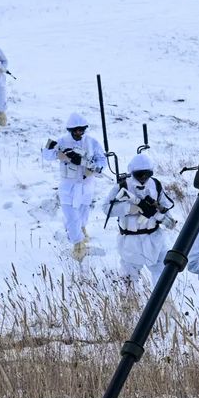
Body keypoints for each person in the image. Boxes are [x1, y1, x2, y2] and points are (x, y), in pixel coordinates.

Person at [41, 112, 106, 259]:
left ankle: (82, 230)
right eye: (76, 130)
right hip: (68, 187)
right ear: (70, 130)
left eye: (81, 130)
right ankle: (78, 244)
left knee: (83, 213)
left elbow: (102, 161)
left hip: (86, 185)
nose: (79, 133)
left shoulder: (92, 142)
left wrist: (93, 168)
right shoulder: (62, 142)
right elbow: (46, 154)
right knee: (71, 216)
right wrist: (58, 154)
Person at [108, 154, 176, 282]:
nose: (143, 177)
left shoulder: (155, 185)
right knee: (129, 278)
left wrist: (167, 219)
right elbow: (106, 208)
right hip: (131, 242)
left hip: (155, 239)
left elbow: (164, 205)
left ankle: (161, 296)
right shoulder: (123, 187)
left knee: (162, 274)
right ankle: (129, 295)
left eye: (147, 174)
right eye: (139, 174)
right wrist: (130, 208)